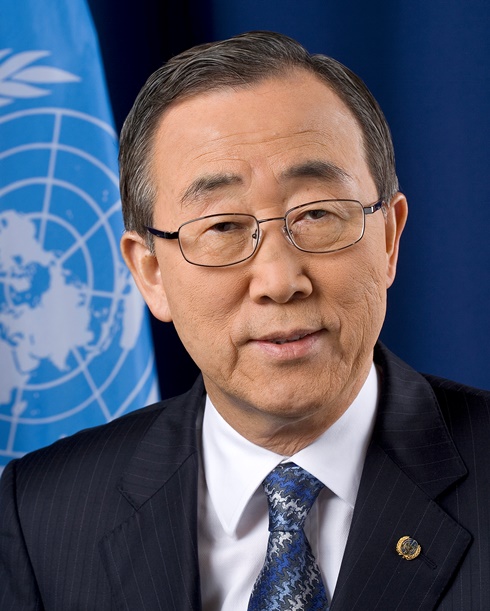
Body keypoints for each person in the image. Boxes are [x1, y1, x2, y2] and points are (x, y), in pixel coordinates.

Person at [1, 30, 489, 611]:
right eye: (223, 227)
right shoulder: (40, 515)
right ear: (150, 272)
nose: (280, 280)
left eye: (316, 214)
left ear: (388, 239)